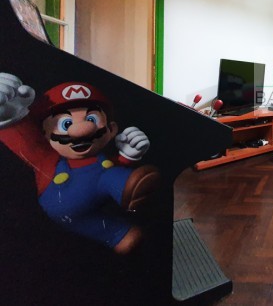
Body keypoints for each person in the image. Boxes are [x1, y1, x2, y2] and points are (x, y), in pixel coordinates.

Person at [0, 73, 159, 254]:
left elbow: (115, 165)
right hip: (64, 198)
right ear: (43, 134)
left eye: (91, 119)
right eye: (66, 123)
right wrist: (11, 118)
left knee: (111, 176)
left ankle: (123, 216)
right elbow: (26, 143)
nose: (81, 130)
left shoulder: (102, 158)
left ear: (111, 129)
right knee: (107, 181)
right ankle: (119, 223)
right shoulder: (48, 160)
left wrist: (128, 154)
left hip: (100, 187)